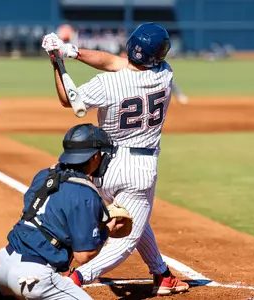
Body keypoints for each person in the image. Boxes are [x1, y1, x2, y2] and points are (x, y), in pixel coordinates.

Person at [41, 22, 190, 296]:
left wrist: (56, 60)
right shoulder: (164, 75)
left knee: (133, 218)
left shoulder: (106, 83)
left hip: (103, 167)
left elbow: (68, 99)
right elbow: (115, 62)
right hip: (139, 169)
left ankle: (162, 274)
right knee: (126, 240)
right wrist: (68, 50)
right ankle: (76, 279)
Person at [0, 123, 128, 300]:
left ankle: (2, 292)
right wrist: (107, 230)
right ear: (95, 156)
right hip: (31, 277)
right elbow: (84, 255)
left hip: (3, 264)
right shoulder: (85, 193)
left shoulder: (45, 174)